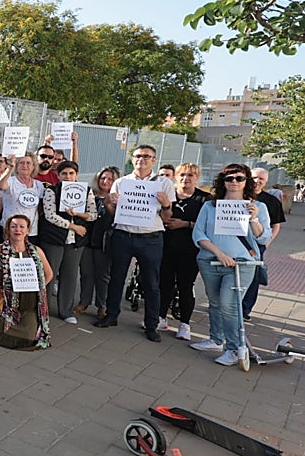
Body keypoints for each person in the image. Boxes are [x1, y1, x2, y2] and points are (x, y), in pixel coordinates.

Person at [191, 164, 272, 366]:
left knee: (229, 305)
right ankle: (216, 339)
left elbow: (263, 238)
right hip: (210, 260)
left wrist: (253, 219)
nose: (234, 182)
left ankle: (235, 348)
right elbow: (198, 234)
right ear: (222, 182)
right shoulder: (211, 206)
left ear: (247, 182)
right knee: (215, 303)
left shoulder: (258, 207)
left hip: (242, 264)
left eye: (239, 178)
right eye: (229, 178)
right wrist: (219, 253)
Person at [95, 145, 175, 342]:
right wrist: (108, 203)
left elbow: (167, 217)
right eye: (138, 156)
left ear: (154, 160)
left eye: (147, 157)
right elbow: (114, 214)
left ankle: (151, 324)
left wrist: (165, 204)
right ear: (132, 159)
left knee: (151, 283)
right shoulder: (122, 182)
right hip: (123, 235)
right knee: (116, 278)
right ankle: (112, 315)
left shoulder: (163, 183)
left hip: (151, 238)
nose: (142, 159)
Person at [37, 161, 97, 323]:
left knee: (70, 276)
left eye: (71, 173)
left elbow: (93, 215)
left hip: (76, 241)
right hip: (54, 239)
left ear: (76, 175)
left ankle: (66, 311)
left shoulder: (87, 192)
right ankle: (44, 309)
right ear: (58, 175)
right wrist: (72, 226)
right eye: (64, 173)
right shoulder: (51, 191)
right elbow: (50, 215)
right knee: (49, 274)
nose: (68, 176)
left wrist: (78, 214)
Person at [0, 215, 53, 351]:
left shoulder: (36, 251)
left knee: (30, 338)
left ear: (28, 230)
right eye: (14, 226)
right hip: (6, 305)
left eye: (22, 227)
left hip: (30, 307)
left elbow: (49, 273)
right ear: (8, 230)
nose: (18, 230)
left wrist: (38, 287)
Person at [159, 162, 208, 340]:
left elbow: (209, 226)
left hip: (190, 250)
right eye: (182, 175)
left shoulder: (205, 199)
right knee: (164, 285)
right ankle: (160, 317)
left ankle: (184, 324)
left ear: (196, 178)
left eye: (190, 175)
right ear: (176, 176)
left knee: (185, 286)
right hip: (166, 247)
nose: (185, 179)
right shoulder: (166, 195)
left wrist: (185, 224)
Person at [242, 167, 286, 322]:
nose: (257, 181)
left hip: (257, 244)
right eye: (254, 177)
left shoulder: (271, 202)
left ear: (266, 182)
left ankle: (245, 308)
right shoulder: (239, 196)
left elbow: (276, 225)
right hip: (236, 242)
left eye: (261, 179)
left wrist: (267, 243)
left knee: (253, 277)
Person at [77, 166, 118, 320]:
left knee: (103, 275)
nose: (105, 181)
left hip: (104, 242)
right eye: (102, 178)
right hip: (87, 240)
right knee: (86, 273)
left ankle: (102, 305)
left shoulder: (117, 198)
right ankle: (84, 302)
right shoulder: (89, 195)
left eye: (109, 179)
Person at [0, 154, 45, 241]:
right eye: (22, 163)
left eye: (28, 163)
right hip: (10, 230)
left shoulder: (39, 185)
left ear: (33, 166)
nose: (25, 166)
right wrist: (10, 168)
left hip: (31, 231)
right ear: (17, 166)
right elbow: (1, 185)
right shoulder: (11, 181)